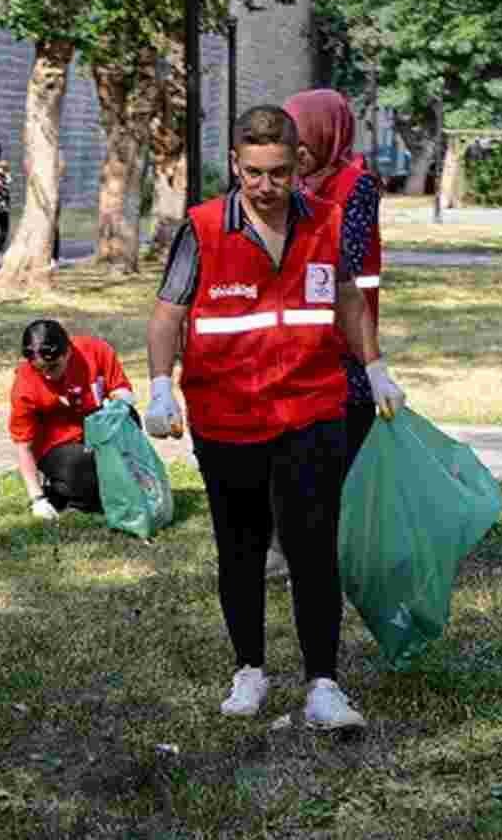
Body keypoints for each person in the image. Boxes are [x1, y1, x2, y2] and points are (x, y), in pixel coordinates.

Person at [144, 105, 407, 731]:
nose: (266, 188)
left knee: (314, 550)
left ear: (301, 166)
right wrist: (158, 387)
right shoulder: (203, 229)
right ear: (236, 163)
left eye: (280, 173)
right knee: (239, 549)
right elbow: (166, 315)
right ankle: (250, 671)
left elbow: (346, 297)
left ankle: (324, 684)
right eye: (254, 173)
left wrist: (374, 366)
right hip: (226, 416)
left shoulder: (327, 221)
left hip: (312, 409)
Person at [285, 89, 384, 472]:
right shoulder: (295, 184)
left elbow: (346, 254)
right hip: (300, 337)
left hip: (346, 337)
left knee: (344, 451)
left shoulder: (357, 185)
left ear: (326, 133)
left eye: (302, 138)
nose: (296, 149)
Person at [9, 319, 136, 519]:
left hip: (96, 429)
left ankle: (112, 483)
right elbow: (23, 446)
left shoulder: (95, 351)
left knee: (129, 417)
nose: (47, 375)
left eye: (52, 367)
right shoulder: (25, 383)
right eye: (39, 369)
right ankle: (63, 491)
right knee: (85, 467)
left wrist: (116, 406)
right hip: (57, 447)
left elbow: (122, 390)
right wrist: (37, 500)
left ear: (68, 351)